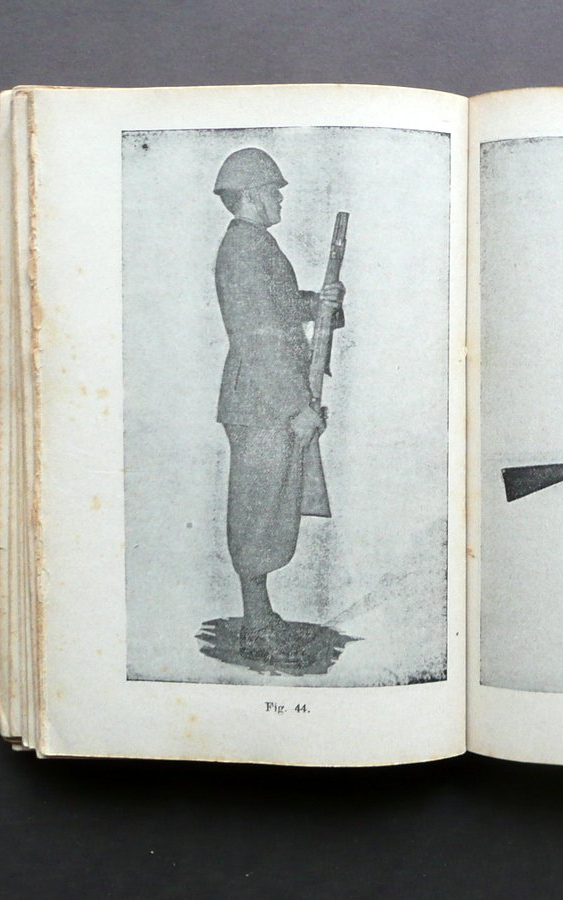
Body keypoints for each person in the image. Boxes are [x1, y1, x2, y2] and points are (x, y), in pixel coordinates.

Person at [211, 147, 345, 658]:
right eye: (273, 191)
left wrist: (320, 304)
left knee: (269, 507)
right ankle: (256, 627)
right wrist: (295, 407)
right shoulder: (244, 249)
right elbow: (257, 338)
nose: (280, 199)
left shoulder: (254, 244)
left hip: (266, 400)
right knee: (259, 511)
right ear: (250, 195)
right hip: (263, 401)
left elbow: (279, 311)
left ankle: (261, 617)